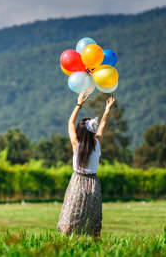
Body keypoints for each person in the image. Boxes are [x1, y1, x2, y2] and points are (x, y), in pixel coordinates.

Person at [57, 91, 115, 237]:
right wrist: (106, 110)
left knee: (71, 215)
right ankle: (96, 243)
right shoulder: (97, 142)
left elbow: (70, 122)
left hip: (77, 182)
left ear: (80, 132)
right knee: (92, 217)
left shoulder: (76, 144)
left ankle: (66, 243)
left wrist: (79, 104)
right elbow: (103, 125)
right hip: (93, 184)